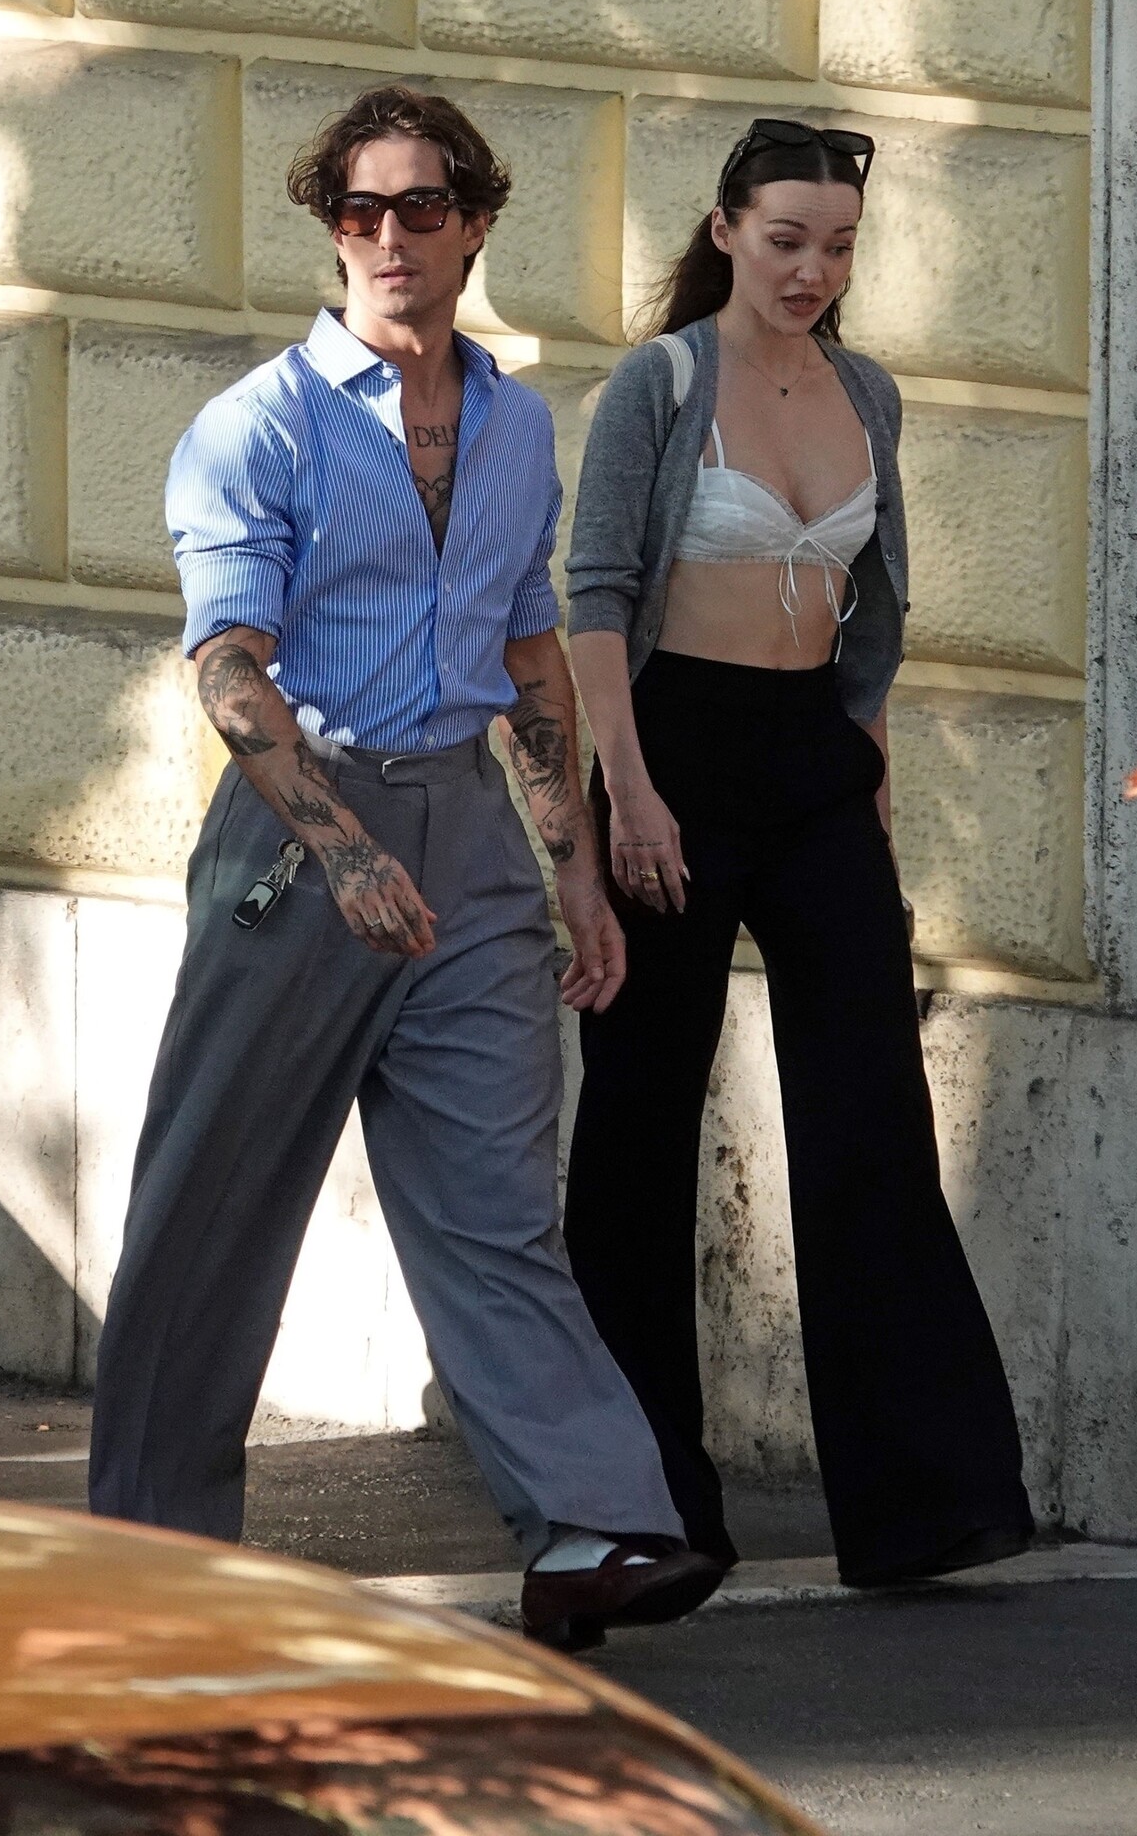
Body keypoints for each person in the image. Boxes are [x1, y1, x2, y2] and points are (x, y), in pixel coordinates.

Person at [88, 84, 722, 1650]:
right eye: (358, 211)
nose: (386, 237)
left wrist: (573, 870)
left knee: (498, 1210)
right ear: (333, 229)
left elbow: (528, 654)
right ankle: (149, 1561)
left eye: (419, 208)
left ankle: (590, 1525)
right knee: (215, 1212)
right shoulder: (260, 427)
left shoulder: (512, 424)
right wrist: (344, 848)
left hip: (474, 844)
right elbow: (228, 669)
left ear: (474, 223)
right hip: (300, 840)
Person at [561, 118, 1034, 1588]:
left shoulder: (867, 391)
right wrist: (627, 795)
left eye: (837, 246)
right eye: (785, 239)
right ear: (724, 232)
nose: (811, 269)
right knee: (640, 1125)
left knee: (871, 1113)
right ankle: (639, 1499)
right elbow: (596, 596)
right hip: (673, 761)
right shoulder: (660, 383)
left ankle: (923, 1504)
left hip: (817, 767)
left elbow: (872, 599)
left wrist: (870, 759)